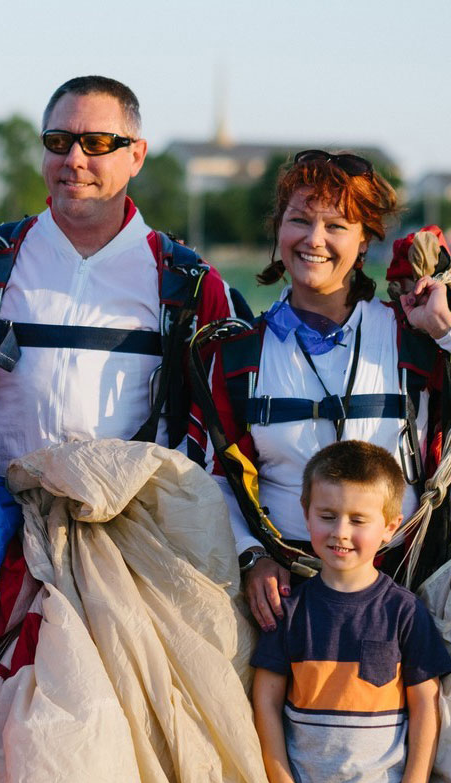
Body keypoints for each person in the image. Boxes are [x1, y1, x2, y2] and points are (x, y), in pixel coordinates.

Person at [0, 75, 250, 688]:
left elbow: (224, 436)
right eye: (59, 140)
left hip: (130, 560)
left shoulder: (189, 286)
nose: (75, 160)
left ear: (136, 155)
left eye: (98, 142)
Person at [188, 150, 451, 631]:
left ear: (366, 239)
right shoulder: (235, 357)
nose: (314, 240)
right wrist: (250, 557)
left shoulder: (413, 337)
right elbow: (214, 479)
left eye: (337, 225)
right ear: (278, 229)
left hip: (406, 590)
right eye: (300, 220)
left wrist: (445, 332)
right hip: (285, 600)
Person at [251, 440, 451, 783]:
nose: (341, 532)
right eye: (328, 515)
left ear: (390, 526)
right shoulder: (291, 612)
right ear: (305, 514)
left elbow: (427, 707)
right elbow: (266, 701)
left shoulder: (404, 613)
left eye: (358, 520)